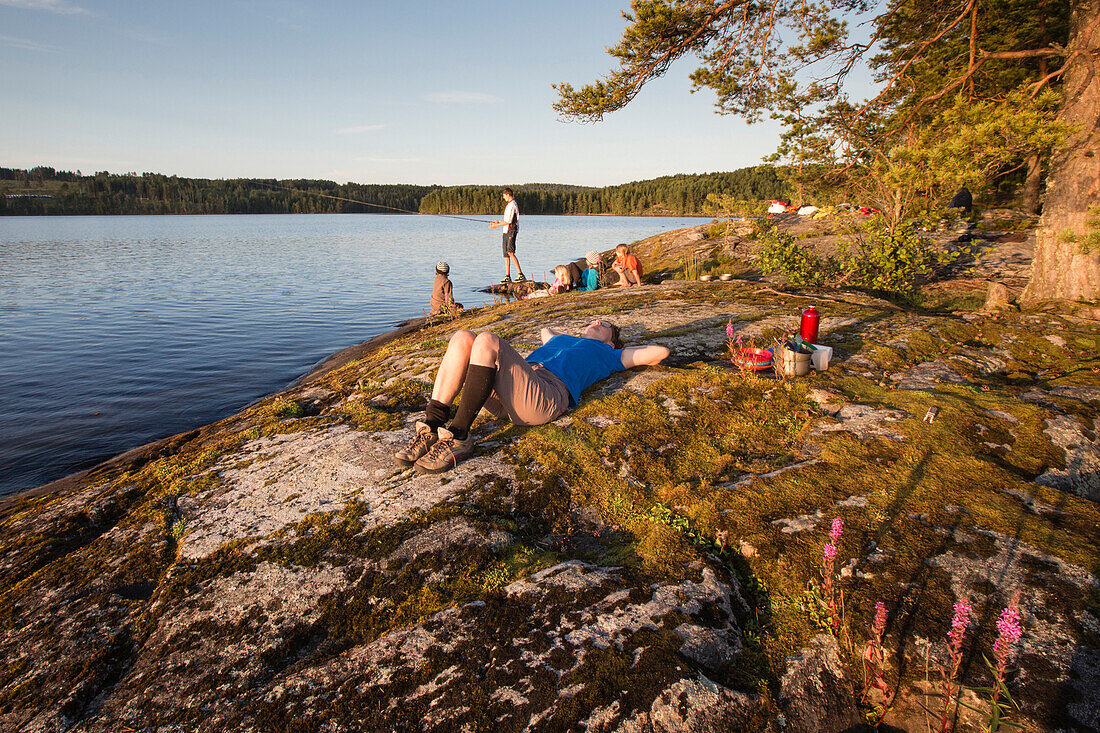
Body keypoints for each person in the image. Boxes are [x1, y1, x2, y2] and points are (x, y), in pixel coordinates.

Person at [394, 321, 670, 473]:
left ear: (611, 341)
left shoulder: (609, 355)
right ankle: (431, 427)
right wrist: (562, 338)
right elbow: (546, 331)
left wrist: (619, 347)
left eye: (605, 324)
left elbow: (659, 353)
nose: (597, 321)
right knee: (464, 336)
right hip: (511, 388)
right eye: (595, 320)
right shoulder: (561, 340)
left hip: (544, 396)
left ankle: (459, 435)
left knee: (488, 339)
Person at [489, 187, 527, 285]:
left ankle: (521, 274)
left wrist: (495, 226)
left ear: (508, 194)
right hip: (506, 231)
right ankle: (507, 276)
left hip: (511, 231)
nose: (503, 197)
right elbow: (505, 220)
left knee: (510, 252)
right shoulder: (509, 205)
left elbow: (509, 222)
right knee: (506, 255)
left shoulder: (512, 205)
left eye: (504, 195)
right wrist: (497, 222)